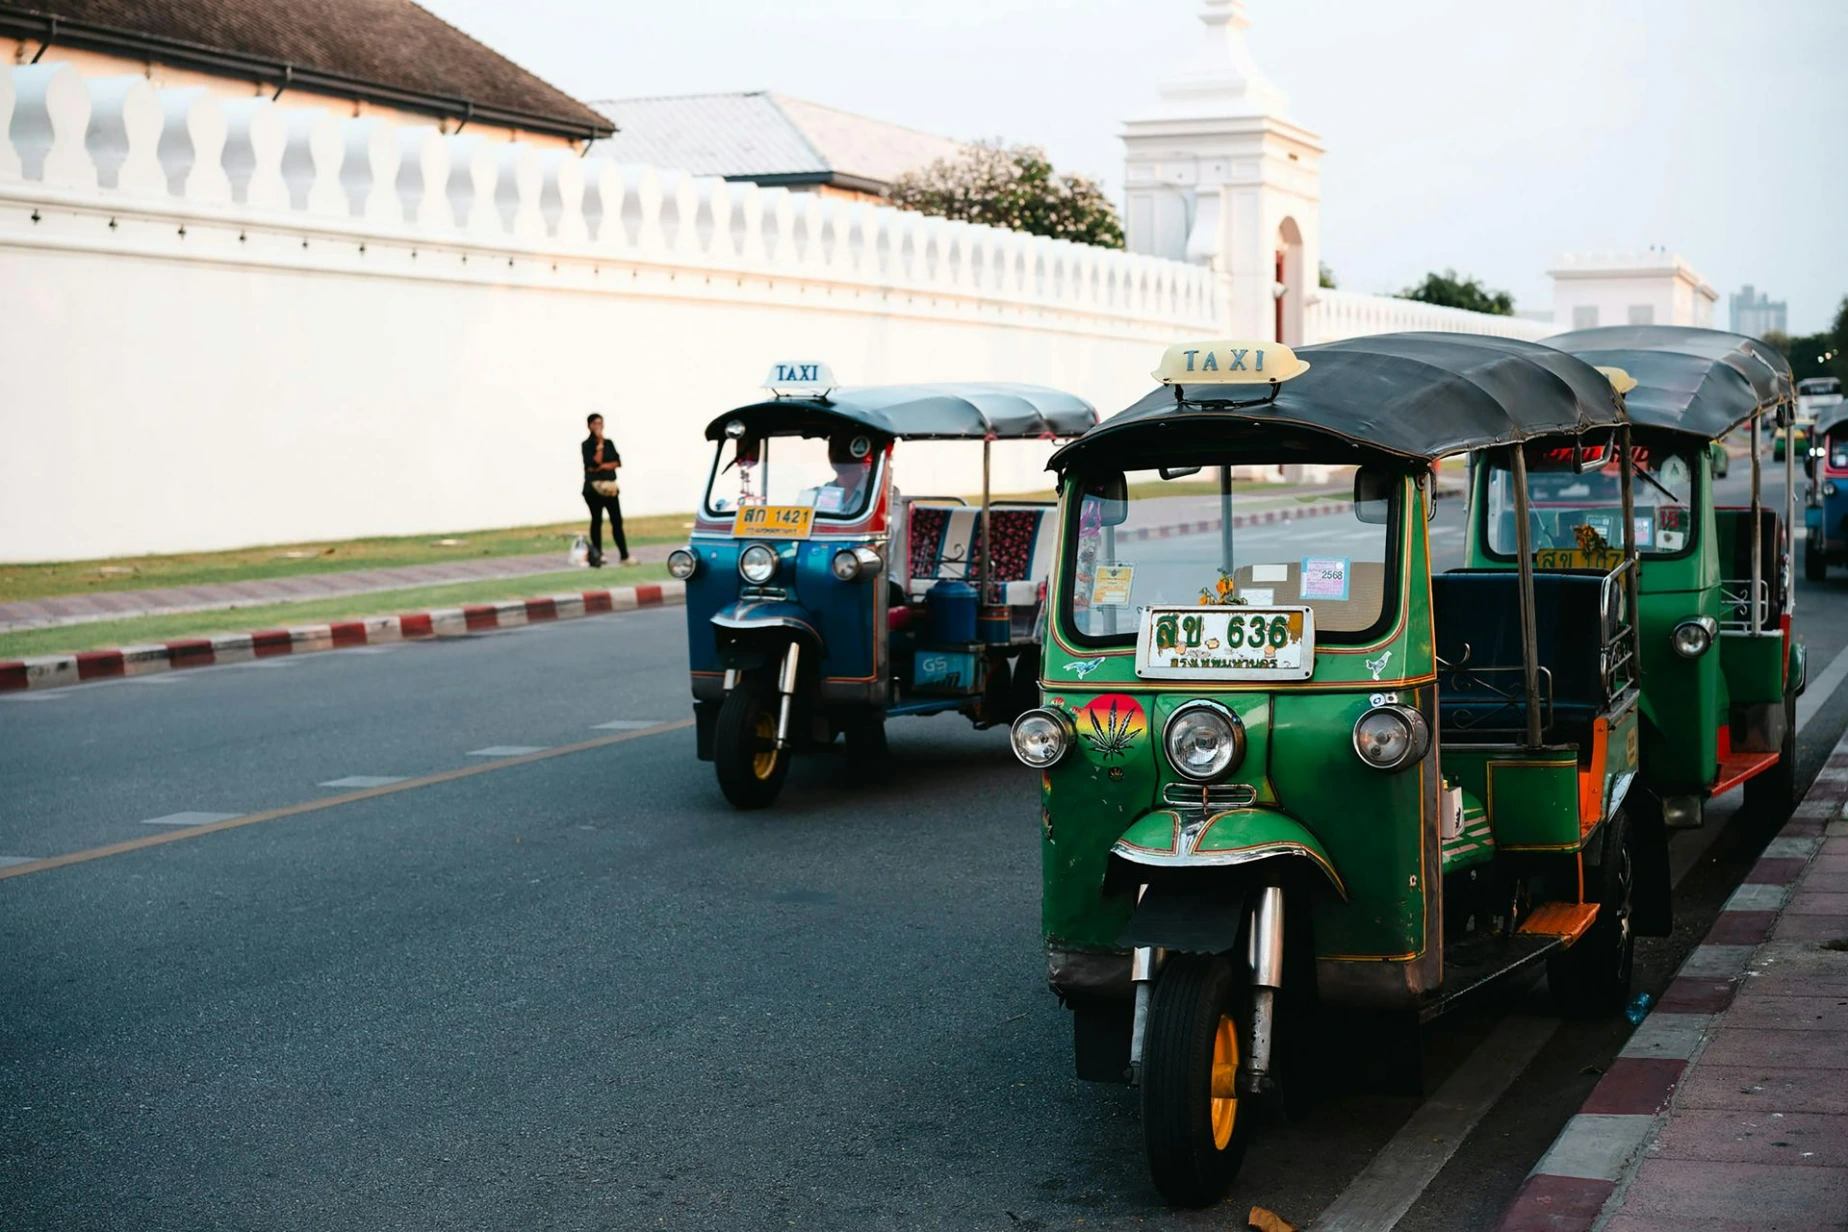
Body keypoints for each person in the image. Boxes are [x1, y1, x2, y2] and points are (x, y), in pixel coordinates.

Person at [581, 413, 632, 567]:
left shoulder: (610, 442)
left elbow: (617, 462)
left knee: (617, 520)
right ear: (589, 425)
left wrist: (604, 466)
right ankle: (598, 555)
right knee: (597, 521)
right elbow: (593, 463)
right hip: (594, 489)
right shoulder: (587, 445)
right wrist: (600, 446)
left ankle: (624, 555)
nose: (598, 426)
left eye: (600, 423)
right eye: (595, 423)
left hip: (610, 487)